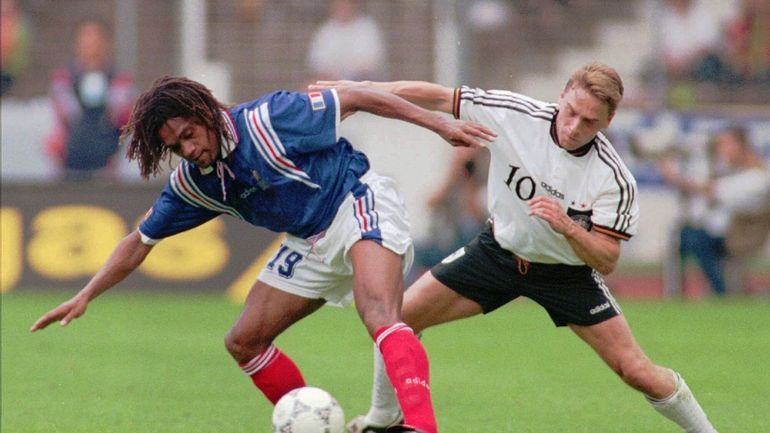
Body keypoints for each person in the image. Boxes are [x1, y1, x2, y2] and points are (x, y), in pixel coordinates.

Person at [30, 76, 495, 433]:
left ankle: (421, 426)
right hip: (308, 240)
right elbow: (139, 241)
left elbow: (355, 98)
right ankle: (316, 421)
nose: (190, 149)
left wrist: (437, 123)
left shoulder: (269, 119)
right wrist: (86, 294)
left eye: (190, 134)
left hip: (355, 201)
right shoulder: (196, 182)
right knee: (243, 339)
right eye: (176, 147)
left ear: (205, 111)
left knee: (378, 313)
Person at [312, 63, 720, 433]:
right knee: (396, 320)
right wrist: (362, 90)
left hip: (566, 274)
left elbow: (607, 259)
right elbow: (437, 95)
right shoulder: (516, 115)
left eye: (589, 120)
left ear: (609, 120)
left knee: (636, 371)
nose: (573, 125)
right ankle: (383, 418)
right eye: (571, 111)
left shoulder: (614, 179)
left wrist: (566, 227)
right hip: (498, 254)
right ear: (562, 94)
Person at [658, 125, 770, 296]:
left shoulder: (758, 177)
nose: (720, 150)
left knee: (691, 237)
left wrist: (674, 177)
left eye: (725, 144)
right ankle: (681, 292)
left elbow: (712, 191)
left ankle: (720, 291)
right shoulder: (735, 172)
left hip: (740, 239)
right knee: (686, 234)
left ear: (740, 146)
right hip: (726, 235)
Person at [46, 19, 136, 181]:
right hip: (71, 160)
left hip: (107, 161)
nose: (91, 46)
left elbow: (124, 119)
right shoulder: (64, 79)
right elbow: (62, 115)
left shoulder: (119, 80)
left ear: (106, 44)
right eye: (86, 40)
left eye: (96, 40)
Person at [306, 0, 386, 82]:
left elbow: (371, 61)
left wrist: (348, 73)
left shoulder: (367, 27)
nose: (342, 7)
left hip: (361, 80)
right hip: (332, 80)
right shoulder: (326, 29)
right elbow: (317, 61)